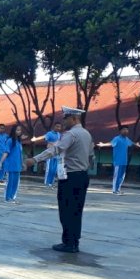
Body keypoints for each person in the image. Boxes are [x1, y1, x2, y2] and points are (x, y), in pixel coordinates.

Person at [24, 106, 95, 253]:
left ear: (74, 118)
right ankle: (74, 241)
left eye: (66, 119)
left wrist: (35, 160)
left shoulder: (71, 134)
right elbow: (91, 156)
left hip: (70, 177)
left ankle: (68, 243)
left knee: (66, 210)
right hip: (82, 175)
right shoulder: (87, 134)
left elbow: (55, 149)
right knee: (77, 210)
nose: (64, 122)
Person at [96, 125, 140, 195]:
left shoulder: (127, 139)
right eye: (124, 129)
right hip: (118, 161)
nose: (126, 131)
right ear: (120, 131)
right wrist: (103, 145)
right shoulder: (117, 139)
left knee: (122, 177)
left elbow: (131, 143)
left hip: (124, 161)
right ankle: (115, 191)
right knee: (117, 176)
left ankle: (118, 189)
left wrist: (136, 144)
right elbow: (111, 143)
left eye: (127, 129)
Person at [30, 121, 63, 188]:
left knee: (54, 170)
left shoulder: (59, 135)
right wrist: (36, 139)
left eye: (59, 127)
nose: (58, 128)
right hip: (50, 154)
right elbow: (44, 137)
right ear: (54, 126)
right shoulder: (50, 134)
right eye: (57, 126)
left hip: (57, 154)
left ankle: (51, 183)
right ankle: (47, 183)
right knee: (49, 169)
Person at [0, 125, 24, 204]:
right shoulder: (10, 141)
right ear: (13, 131)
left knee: (16, 183)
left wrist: (22, 163)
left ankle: (12, 197)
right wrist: (1, 162)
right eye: (17, 130)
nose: (19, 132)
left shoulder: (19, 142)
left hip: (17, 165)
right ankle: (7, 198)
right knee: (10, 182)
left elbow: (20, 154)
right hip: (10, 165)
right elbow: (6, 152)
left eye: (20, 130)